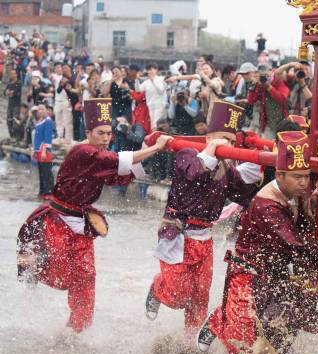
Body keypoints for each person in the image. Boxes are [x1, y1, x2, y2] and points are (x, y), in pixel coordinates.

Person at [196, 130, 318, 354]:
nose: (303, 182)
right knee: (245, 344)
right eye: (297, 177)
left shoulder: (291, 196)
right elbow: (295, 246)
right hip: (249, 277)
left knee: (282, 332)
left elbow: (299, 235)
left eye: (306, 176)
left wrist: (307, 205)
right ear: (280, 175)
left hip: (274, 276)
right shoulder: (266, 206)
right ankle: (220, 325)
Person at [17, 99, 173, 333]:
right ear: (88, 132)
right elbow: (116, 161)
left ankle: (78, 330)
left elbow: (118, 176)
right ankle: (35, 268)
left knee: (87, 276)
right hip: (58, 221)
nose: (105, 138)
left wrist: (145, 150)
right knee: (61, 273)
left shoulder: (100, 154)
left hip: (83, 223)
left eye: (109, 133)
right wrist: (155, 148)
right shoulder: (83, 151)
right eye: (100, 133)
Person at [146, 102, 261, 337]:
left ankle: (190, 342)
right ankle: (157, 288)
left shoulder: (226, 167)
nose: (226, 144)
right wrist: (212, 151)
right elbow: (193, 173)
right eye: (221, 138)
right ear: (208, 137)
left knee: (200, 295)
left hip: (205, 238)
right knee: (178, 295)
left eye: (231, 140)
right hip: (179, 234)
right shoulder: (187, 154)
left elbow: (242, 193)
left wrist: (259, 161)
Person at [248, 63, 290, 140]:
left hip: (283, 123)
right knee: (268, 147)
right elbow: (251, 101)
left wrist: (269, 87)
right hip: (268, 125)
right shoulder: (260, 85)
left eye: (267, 75)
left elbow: (282, 99)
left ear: (271, 72)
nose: (266, 78)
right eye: (263, 76)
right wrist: (253, 86)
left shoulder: (279, 82)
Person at [32, 104, 54, 199]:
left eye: (42, 109)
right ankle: (42, 191)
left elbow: (47, 137)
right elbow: (36, 137)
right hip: (38, 149)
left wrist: (44, 150)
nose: (40, 111)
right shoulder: (39, 121)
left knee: (46, 171)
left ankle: (49, 192)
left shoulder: (48, 121)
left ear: (46, 110)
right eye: (39, 109)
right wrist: (34, 150)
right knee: (41, 172)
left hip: (44, 149)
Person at [137, 63, 167, 130]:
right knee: (152, 125)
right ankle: (154, 139)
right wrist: (137, 79)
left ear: (156, 70)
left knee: (156, 125)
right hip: (150, 106)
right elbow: (138, 90)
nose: (149, 71)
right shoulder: (146, 82)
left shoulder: (161, 79)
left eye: (151, 69)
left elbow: (161, 90)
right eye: (148, 70)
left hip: (160, 106)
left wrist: (153, 80)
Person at [4, 69, 22, 140]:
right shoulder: (10, 83)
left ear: (16, 74)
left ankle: (16, 137)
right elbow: (5, 92)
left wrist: (11, 93)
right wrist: (7, 92)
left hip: (16, 105)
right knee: (8, 121)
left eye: (14, 73)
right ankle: (11, 136)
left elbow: (16, 93)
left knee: (15, 121)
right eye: (11, 73)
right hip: (10, 105)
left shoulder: (19, 83)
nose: (12, 75)